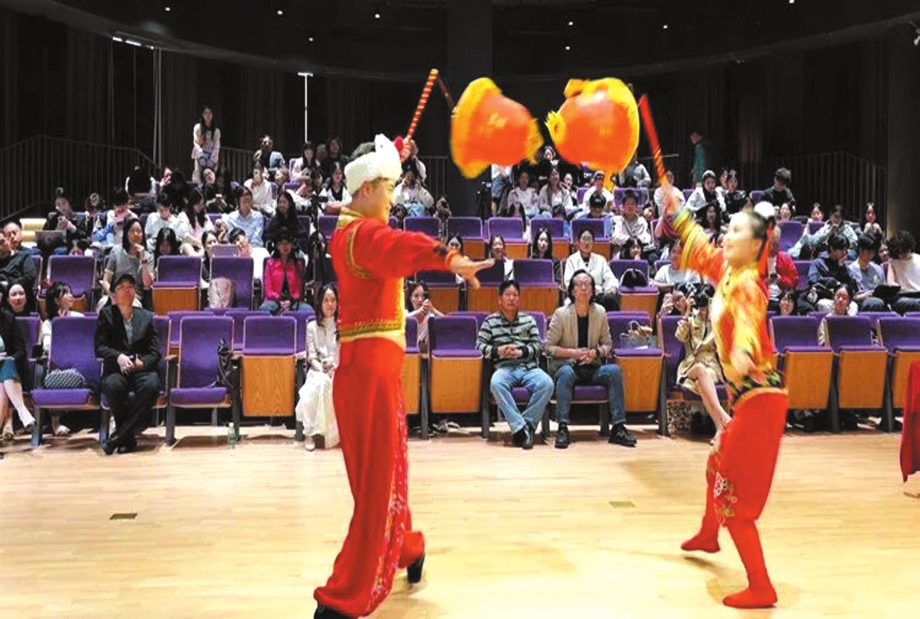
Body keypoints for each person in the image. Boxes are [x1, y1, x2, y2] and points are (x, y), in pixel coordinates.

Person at [313, 135, 490, 619]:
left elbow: (374, 192)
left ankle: (408, 546)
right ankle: (346, 594)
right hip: (370, 376)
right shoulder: (362, 237)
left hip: (369, 372)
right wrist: (448, 257)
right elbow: (399, 245)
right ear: (368, 188)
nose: (393, 199)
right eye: (388, 189)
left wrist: (395, 149)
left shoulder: (350, 225)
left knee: (381, 479)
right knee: (375, 488)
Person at [664, 190, 787, 609]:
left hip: (760, 401)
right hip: (748, 399)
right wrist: (677, 209)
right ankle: (707, 533)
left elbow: (750, 320)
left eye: (736, 231)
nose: (726, 235)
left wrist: (743, 348)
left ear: (755, 246)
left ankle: (761, 586)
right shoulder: (729, 271)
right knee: (716, 463)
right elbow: (700, 244)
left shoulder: (748, 283)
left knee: (736, 502)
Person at [546, 270, 636, 450]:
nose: (584, 288)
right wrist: (573, 353)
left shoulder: (600, 312)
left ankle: (618, 427)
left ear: (593, 290)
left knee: (614, 371)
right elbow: (548, 347)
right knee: (565, 374)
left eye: (587, 284)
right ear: (572, 291)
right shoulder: (561, 314)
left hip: (592, 366)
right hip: (569, 366)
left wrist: (595, 353)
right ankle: (562, 428)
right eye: (579, 284)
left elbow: (608, 345)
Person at [477, 280, 553, 450]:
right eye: (508, 295)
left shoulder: (529, 320)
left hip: (528, 367)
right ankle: (523, 429)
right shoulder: (490, 322)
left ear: (519, 298)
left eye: (515, 295)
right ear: (500, 299)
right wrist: (498, 351)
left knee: (547, 383)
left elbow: (538, 346)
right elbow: (479, 346)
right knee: (496, 383)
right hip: (504, 368)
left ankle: (523, 427)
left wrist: (521, 352)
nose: (511, 298)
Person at [96, 273, 161, 455]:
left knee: (152, 385)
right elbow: (100, 348)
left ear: (135, 293)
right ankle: (127, 438)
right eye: (122, 287)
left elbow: (155, 352)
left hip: (141, 369)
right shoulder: (106, 315)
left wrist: (141, 363)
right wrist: (118, 356)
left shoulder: (146, 317)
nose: (127, 290)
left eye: (130, 287)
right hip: (117, 368)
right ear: (113, 294)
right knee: (113, 385)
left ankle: (118, 437)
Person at [675, 284, 730, 444]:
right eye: (700, 308)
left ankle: (720, 429)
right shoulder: (692, 319)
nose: (702, 311)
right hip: (691, 366)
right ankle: (724, 416)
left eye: (705, 308)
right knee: (699, 370)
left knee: (701, 384)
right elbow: (679, 336)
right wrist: (686, 313)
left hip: (711, 366)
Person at [296, 284, 340, 452]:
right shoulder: (311, 327)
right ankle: (310, 434)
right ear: (320, 303)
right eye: (326, 300)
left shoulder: (343, 326)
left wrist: (335, 369)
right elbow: (311, 357)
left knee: (336, 383)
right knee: (320, 384)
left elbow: (344, 354)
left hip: (339, 369)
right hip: (318, 370)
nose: (330, 304)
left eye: (333, 300)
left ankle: (338, 433)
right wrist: (322, 369)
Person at [41, 281, 85, 436]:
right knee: (54, 377)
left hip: (80, 364)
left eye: (70, 292)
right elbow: (48, 347)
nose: (71, 296)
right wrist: (61, 325)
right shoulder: (48, 324)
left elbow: (86, 343)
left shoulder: (80, 318)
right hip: (58, 366)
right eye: (66, 293)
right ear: (56, 300)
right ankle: (55, 422)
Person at [0, 301, 35, 443]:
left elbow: (21, 350)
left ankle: (21, 412)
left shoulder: (8, 318)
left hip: (6, 369)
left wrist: (9, 358)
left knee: (3, 380)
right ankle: (22, 410)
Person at [99, 218, 154, 310]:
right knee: (101, 305)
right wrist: (113, 295)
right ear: (126, 234)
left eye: (139, 231)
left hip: (134, 298)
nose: (136, 234)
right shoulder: (116, 252)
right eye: (132, 231)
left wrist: (143, 259)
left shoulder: (148, 257)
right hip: (115, 294)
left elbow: (147, 284)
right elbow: (106, 281)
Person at [563, 228, 619, 311]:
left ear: (593, 242)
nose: (586, 243)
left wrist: (611, 288)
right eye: (584, 239)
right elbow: (568, 283)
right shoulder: (571, 260)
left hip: (598, 296)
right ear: (579, 242)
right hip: (579, 296)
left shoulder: (600, 260)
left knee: (611, 300)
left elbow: (610, 279)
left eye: (589, 239)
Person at [259, 227, 306, 314]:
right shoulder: (270, 263)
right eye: (281, 243)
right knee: (264, 309)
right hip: (274, 301)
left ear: (292, 245)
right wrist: (279, 301)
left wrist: (290, 301)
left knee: (308, 310)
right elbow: (268, 290)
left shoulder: (298, 264)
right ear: (277, 246)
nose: (285, 246)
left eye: (288, 243)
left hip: (293, 302)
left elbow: (298, 290)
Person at [848, 234, 888, 312]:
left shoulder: (878, 269)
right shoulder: (850, 270)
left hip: (879, 300)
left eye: (873, 252)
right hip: (861, 303)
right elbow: (851, 297)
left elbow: (883, 289)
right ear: (861, 250)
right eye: (869, 252)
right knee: (876, 303)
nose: (871, 254)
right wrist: (864, 296)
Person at [405, 281, 443, 353]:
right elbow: (401, 321)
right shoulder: (405, 313)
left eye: (423, 296)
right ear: (410, 298)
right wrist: (418, 311)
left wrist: (434, 310)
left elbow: (448, 323)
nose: (420, 299)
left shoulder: (430, 317)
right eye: (416, 296)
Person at [191, 105, 220, 184]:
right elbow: (196, 144)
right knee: (198, 178)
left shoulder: (216, 131)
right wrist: (201, 157)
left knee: (210, 179)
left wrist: (212, 161)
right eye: (205, 113)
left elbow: (216, 147)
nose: (208, 115)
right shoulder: (197, 128)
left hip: (211, 158)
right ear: (202, 115)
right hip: (200, 157)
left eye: (210, 113)